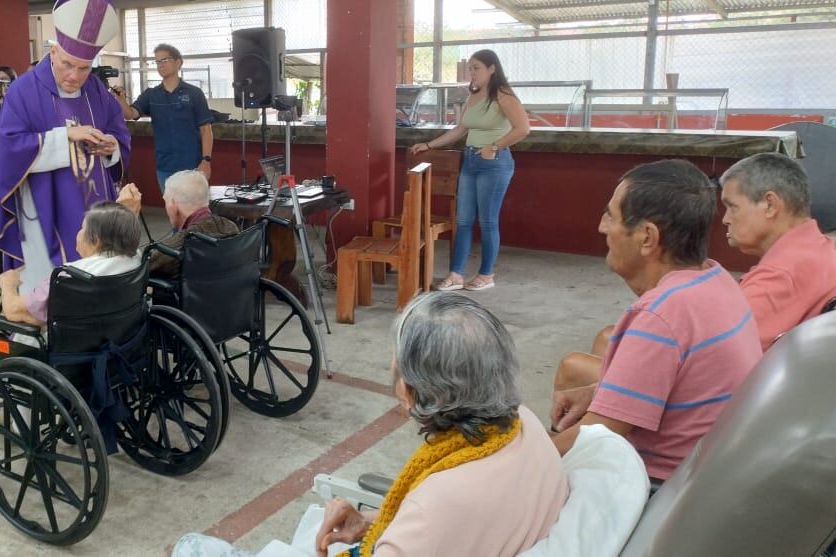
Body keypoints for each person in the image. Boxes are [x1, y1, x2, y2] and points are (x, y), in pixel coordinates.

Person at [173, 293, 568, 557]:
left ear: (416, 392)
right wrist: (371, 522)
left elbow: (438, 525)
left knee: (191, 547)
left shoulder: (440, 503)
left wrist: (396, 529)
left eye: (398, 367)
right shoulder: (525, 426)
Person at [551, 160, 762, 483]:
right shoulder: (715, 278)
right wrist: (599, 391)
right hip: (706, 474)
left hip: (657, 488)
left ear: (647, 237)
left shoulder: (661, 315)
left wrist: (526, 458)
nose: (602, 227)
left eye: (611, 216)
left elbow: (597, 438)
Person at [0, 0, 130, 304]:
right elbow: (10, 148)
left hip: (94, 208)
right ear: (52, 51)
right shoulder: (23, 91)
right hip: (43, 206)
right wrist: (65, 135)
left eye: (83, 68)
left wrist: (112, 149)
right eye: (67, 64)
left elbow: (119, 135)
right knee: (49, 291)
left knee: (99, 277)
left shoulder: (97, 91)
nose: (74, 76)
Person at [409, 50, 530, 292]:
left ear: (492, 68)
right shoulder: (473, 95)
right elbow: (460, 130)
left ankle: (486, 274)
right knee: (463, 220)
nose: (471, 72)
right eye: (470, 68)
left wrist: (495, 146)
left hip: (494, 163)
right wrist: (429, 144)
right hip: (470, 161)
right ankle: (456, 275)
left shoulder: (503, 94)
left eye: (476, 68)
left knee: (487, 221)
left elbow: (523, 128)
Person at [721, 152, 836, 349]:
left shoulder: (779, 276)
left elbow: (720, 354)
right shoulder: (825, 247)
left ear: (770, 205)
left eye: (732, 207)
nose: (725, 219)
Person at [0, 201, 142, 327]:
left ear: (96, 241)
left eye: (82, 229)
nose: (78, 234)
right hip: (123, 346)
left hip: (73, 353)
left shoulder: (68, 278)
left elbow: (14, 311)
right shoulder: (135, 262)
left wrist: (7, 284)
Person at [114, 43, 213, 191]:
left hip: (192, 166)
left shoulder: (194, 93)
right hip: (165, 166)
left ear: (178, 62)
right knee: (172, 210)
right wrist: (121, 100)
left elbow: (206, 130)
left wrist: (206, 161)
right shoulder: (151, 94)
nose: (160, 65)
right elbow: (130, 114)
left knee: (194, 211)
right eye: (157, 61)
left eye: (165, 60)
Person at [116, 170, 238, 279]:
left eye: (165, 201)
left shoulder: (177, 247)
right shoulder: (232, 228)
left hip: (183, 304)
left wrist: (128, 218)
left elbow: (128, 270)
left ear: (173, 205)